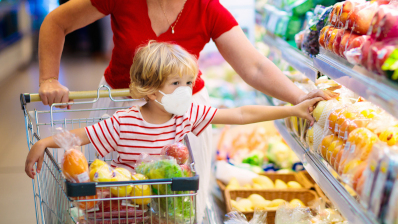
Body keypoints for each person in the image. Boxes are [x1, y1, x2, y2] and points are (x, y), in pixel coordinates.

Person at [35, 0, 331, 218]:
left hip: (182, 118)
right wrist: (48, 79)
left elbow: (253, 66)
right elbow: (56, 23)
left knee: (177, 210)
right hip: (120, 113)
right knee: (114, 205)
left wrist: (299, 98)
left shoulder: (207, 7)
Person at [25, 42, 321, 205]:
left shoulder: (186, 115)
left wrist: (291, 109)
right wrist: (43, 142)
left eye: (189, 83)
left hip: (170, 207)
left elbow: (241, 114)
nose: (186, 90)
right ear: (151, 90)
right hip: (130, 209)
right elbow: (81, 136)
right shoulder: (123, 122)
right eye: (176, 83)